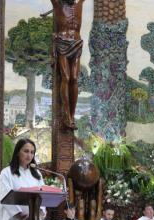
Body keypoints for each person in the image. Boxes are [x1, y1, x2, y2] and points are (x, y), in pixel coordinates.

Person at [51, 0, 85, 130]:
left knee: (75, 79)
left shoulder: (79, 3)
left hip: (76, 43)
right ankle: (66, 115)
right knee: (66, 77)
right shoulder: (58, 4)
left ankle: (72, 115)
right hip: (62, 43)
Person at [0, 138, 46, 220]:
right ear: (18, 152)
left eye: (32, 152)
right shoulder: (7, 173)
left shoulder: (36, 173)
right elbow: (4, 195)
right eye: (26, 151)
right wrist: (21, 215)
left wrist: (40, 213)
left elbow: (42, 195)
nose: (29, 155)